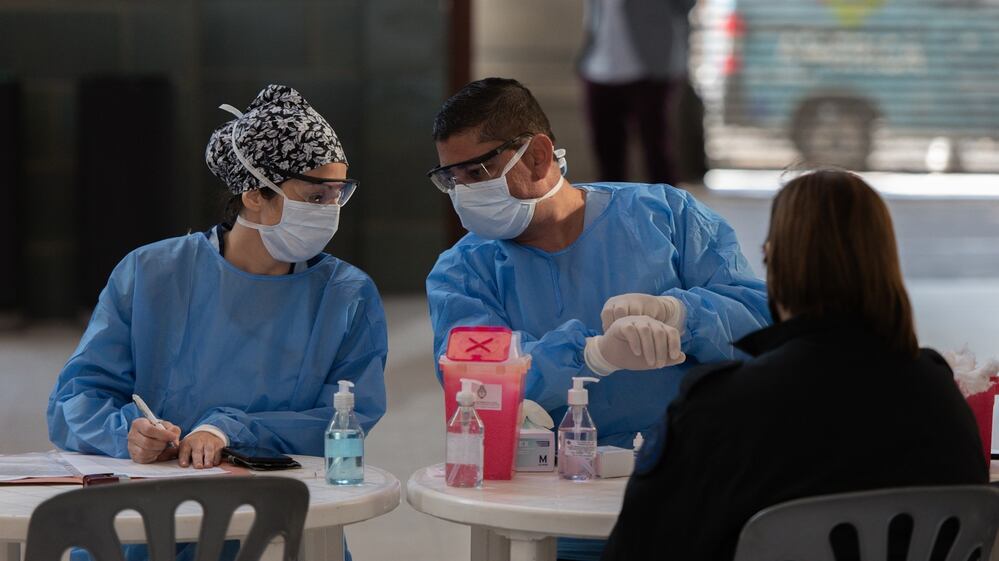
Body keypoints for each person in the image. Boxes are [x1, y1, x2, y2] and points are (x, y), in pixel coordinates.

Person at [425, 77, 770, 561]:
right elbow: (475, 386)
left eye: (477, 172)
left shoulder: (666, 217)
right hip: (552, 504)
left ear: (538, 156)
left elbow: (761, 323)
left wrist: (680, 315)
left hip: (691, 488)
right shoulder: (465, 271)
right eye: (451, 179)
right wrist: (593, 354)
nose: (463, 193)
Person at [47, 85, 387, 560]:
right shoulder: (152, 274)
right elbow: (75, 399)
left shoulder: (347, 295)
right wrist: (126, 433)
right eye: (315, 195)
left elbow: (346, 420)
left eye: (338, 193)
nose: (330, 211)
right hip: (147, 523)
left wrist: (229, 430)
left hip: (280, 524)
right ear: (254, 194)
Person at [601, 170, 988, 561]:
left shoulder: (720, 410)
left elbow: (636, 547)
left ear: (772, 261)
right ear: (886, 262)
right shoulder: (943, 401)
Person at [578, 0, 696, 183]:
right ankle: (612, 202)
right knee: (607, 153)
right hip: (599, 67)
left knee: (656, 150)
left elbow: (685, 5)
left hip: (651, 68)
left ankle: (667, 201)